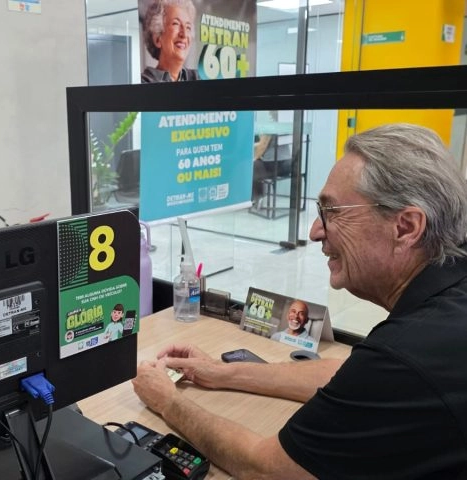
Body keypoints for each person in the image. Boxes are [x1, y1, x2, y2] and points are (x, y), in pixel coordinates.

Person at [132, 123, 467, 478]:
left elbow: (267, 468)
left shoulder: (409, 353)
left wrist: (169, 402)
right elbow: (349, 374)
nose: (315, 231)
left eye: (333, 212)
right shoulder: (446, 303)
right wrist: (221, 372)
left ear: (406, 227)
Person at [141, 0, 198, 83]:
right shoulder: (143, 82)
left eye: (188, 27)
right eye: (176, 24)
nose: (184, 34)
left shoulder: (198, 78)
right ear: (157, 39)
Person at [251, 112, 292, 209]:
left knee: (254, 165)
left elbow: (262, 147)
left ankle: (258, 197)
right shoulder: (287, 125)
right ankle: (261, 196)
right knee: (258, 165)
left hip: (274, 167)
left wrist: (254, 157)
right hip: (287, 166)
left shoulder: (272, 126)